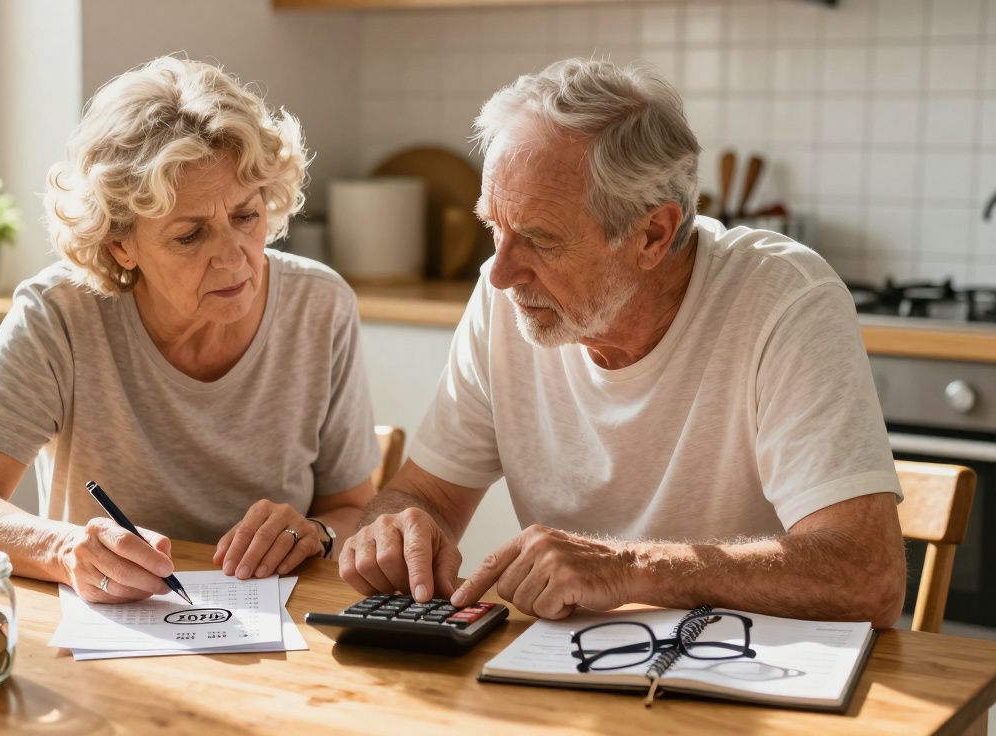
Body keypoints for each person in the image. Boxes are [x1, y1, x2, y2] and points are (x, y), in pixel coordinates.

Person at [340, 59, 906, 628]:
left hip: (749, 676)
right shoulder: (505, 298)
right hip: (570, 670)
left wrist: (631, 568)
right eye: (495, 227)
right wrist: (395, 527)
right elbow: (427, 496)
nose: (500, 272)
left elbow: (867, 575)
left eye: (538, 238)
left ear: (652, 234)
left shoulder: (782, 301)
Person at [0, 56, 379, 603]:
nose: (233, 260)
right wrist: (63, 549)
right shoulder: (60, 314)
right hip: (111, 632)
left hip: (287, 629)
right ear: (121, 244)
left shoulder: (319, 305)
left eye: (246, 217)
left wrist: (319, 533)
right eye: (190, 236)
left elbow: (353, 512)